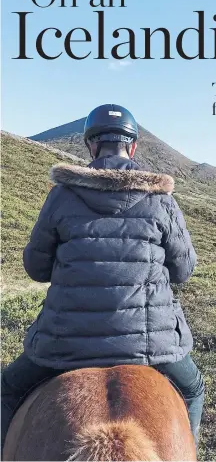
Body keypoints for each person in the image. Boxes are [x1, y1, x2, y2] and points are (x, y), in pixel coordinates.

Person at [1, 104, 205, 451]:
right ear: (133, 147)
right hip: (153, 345)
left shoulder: (61, 196)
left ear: (91, 147)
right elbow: (184, 270)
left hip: (63, 343)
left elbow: (35, 268)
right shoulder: (161, 200)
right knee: (193, 389)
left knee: (7, 389)